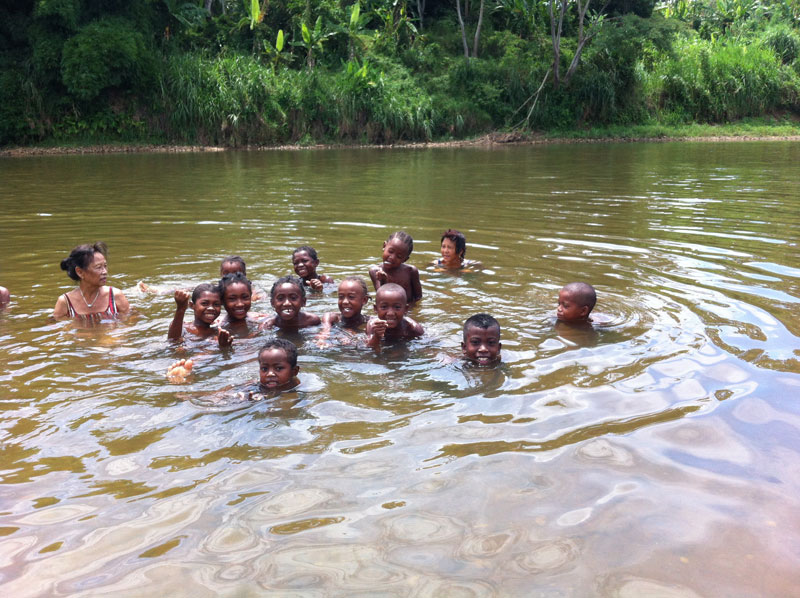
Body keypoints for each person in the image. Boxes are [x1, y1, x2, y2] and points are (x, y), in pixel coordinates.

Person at [166, 339, 301, 398]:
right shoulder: (255, 386)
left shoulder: (295, 388)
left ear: (294, 372)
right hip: (251, 393)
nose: (270, 374)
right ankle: (183, 385)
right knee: (222, 397)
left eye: (278, 368)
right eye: (264, 369)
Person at [53, 242, 130, 325]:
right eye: (98, 267)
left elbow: (131, 320)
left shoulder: (115, 296)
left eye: (105, 266)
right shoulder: (65, 302)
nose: (104, 272)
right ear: (80, 272)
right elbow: (55, 327)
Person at [167, 283, 232, 348]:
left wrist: (223, 346)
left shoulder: (218, 332)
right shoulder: (183, 327)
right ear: (192, 305)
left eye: (216, 304)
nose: (211, 308)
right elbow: (173, 341)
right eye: (204, 303)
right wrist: (180, 309)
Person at [366, 283, 423, 352]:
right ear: (376, 309)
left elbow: (425, 346)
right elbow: (369, 348)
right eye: (384, 307)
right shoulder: (372, 325)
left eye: (397, 307)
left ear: (405, 309)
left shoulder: (412, 328)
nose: (390, 313)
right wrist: (377, 336)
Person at [369, 231, 422, 304]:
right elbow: (381, 297)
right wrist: (383, 281)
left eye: (399, 256)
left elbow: (418, 297)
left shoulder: (410, 271)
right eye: (390, 251)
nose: (392, 257)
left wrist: (412, 312)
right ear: (384, 246)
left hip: (407, 309)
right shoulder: (375, 271)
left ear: (405, 259)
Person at [316, 277, 370, 347]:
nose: (345, 302)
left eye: (351, 297)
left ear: (364, 300)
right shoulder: (331, 318)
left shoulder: (369, 322)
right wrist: (322, 341)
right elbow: (325, 333)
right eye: (341, 297)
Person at [218, 272, 264, 337]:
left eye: (245, 297)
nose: (240, 304)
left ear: (251, 296)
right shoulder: (217, 325)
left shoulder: (261, 320)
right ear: (222, 301)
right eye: (232, 299)